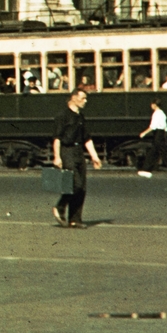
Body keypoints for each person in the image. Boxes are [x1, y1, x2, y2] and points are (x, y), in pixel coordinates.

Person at [51, 88, 102, 228]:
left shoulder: (80, 117)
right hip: (67, 150)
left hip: (78, 151)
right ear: (74, 97)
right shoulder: (62, 115)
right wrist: (57, 157)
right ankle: (60, 206)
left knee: (82, 187)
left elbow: (87, 138)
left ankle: (75, 219)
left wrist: (94, 156)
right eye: (83, 98)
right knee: (75, 184)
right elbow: (57, 138)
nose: (85, 101)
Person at [137, 99, 167, 179]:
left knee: (163, 152)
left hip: (158, 134)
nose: (151, 106)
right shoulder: (162, 113)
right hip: (161, 133)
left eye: (152, 104)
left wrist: (144, 133)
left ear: (154, 105)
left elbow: (153, 126)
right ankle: (146, 170)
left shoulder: (156, 114)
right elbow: (165, 127)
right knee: (153, 152)